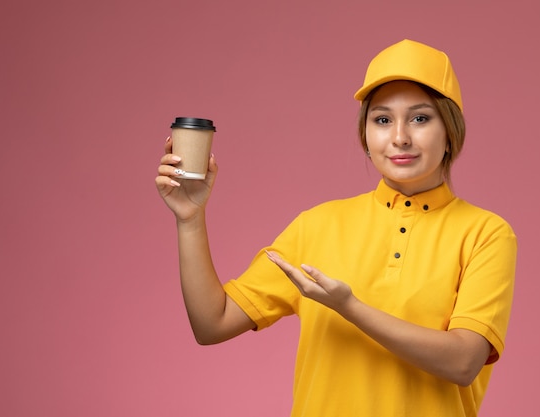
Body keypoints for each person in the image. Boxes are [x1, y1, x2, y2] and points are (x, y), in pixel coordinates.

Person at [155, 39, 517, 417]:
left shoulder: (486, 234)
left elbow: (463, 361)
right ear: (366, 136)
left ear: (450, 132)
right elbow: (212, 324)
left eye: (420, 118)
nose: (399, 137)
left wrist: (349, 307)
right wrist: (190, 219)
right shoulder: (317, 225)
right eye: (382, 119)